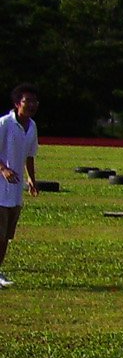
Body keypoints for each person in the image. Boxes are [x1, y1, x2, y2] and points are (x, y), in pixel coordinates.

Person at [0, 83, 41, 289]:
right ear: (17, 104)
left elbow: (30, 155)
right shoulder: (4, 124)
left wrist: (31, 179)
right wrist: (3, 169)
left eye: (35, 101)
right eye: (28, 101)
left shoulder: (31, 126)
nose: (32, 105)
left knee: (6, 236)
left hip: (15, 192)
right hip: (0, 189)